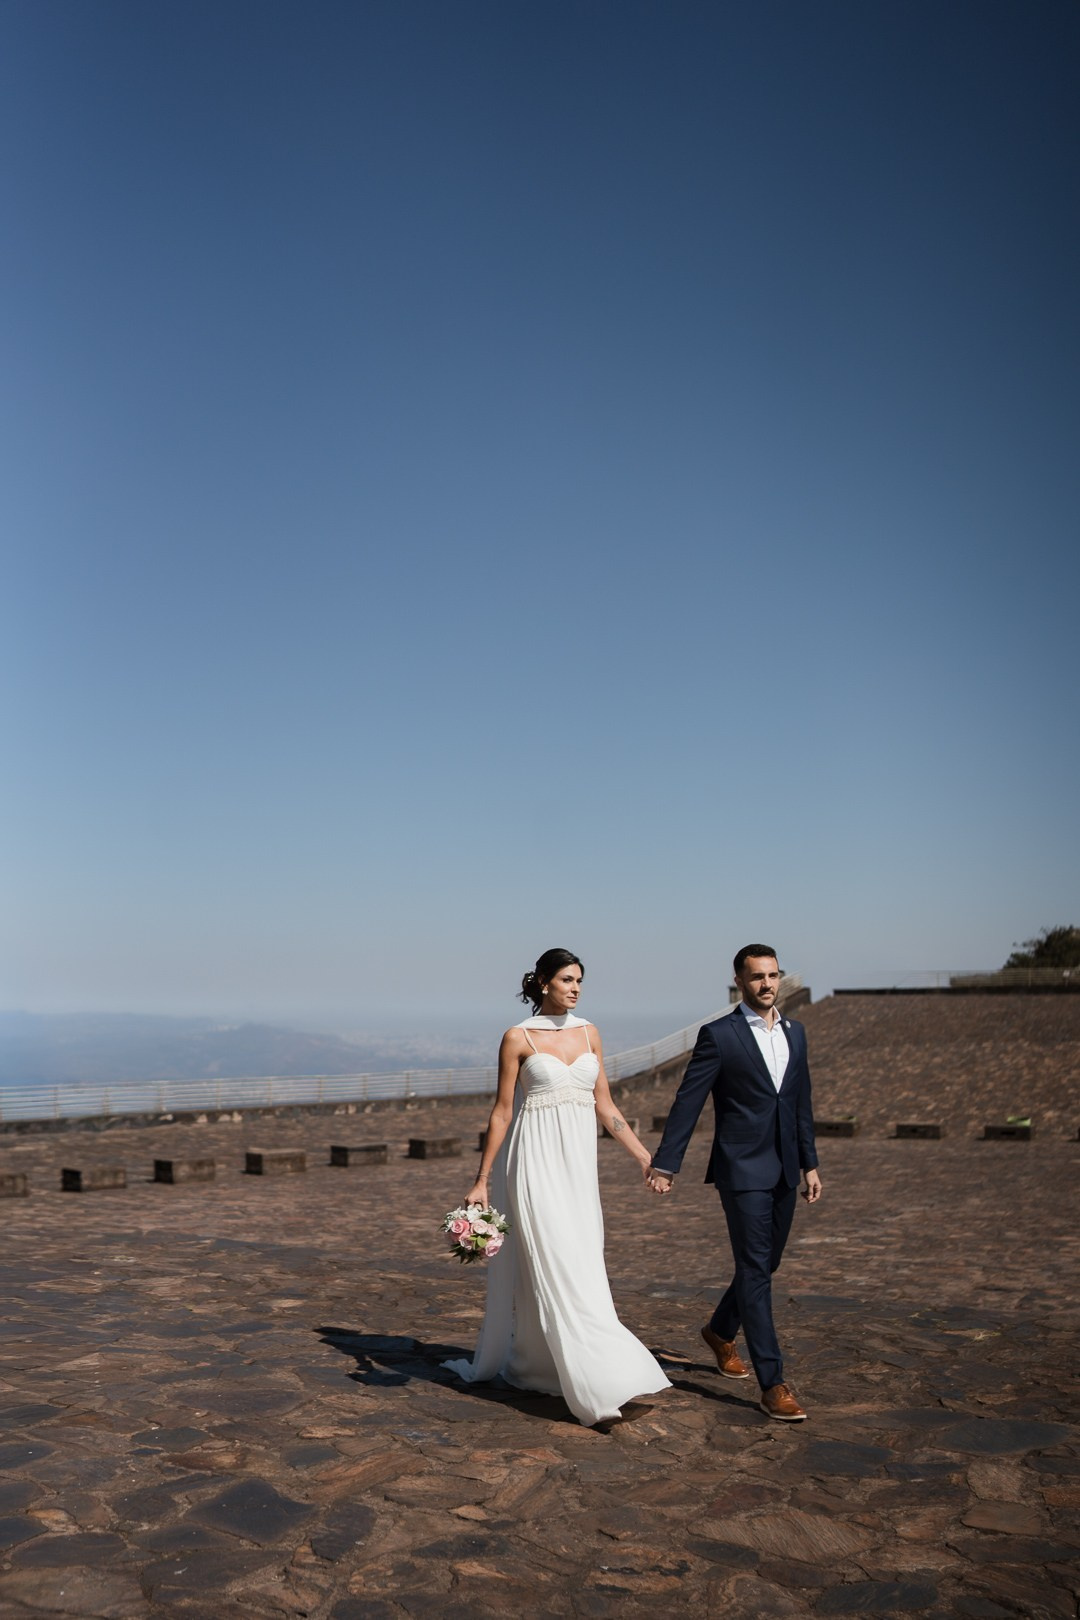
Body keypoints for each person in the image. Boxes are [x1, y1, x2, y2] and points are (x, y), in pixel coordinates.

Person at [443, 948, 670, 1427]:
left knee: (584, 1265)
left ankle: (538, 1367)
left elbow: (606, 1106)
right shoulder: (517, 1037)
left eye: (580, 981)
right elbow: (502, 1111)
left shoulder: (590, 1033)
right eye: (567, 979)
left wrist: (646, 1158)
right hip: (532, 1166)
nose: (576, 988)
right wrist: (481, 1180)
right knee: (556, 1265)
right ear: (543, 982)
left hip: (578, 1173)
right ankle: (595, 1389)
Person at [647, 944, 821, 1421]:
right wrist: (666, 1163)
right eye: (757, 977)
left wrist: (810, 1163)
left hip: (787, 1167)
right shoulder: (719, 1036)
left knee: (767, 1264)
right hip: (741, 1169)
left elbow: (800, 1102)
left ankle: (721, 1330)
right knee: (753, 1269)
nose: (767, 984)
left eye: (773, 975)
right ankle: (774, 1383)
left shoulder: (797, 1033)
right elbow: (689, 1100)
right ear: (740, 982)